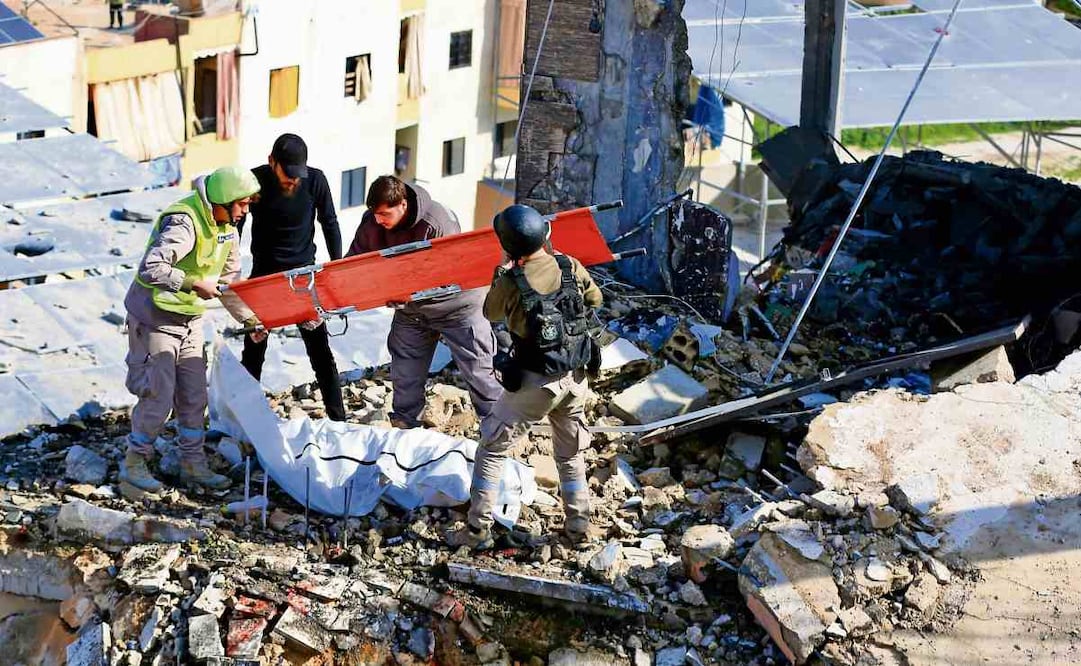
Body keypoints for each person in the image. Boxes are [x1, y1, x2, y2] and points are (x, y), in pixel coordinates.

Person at [447, 204, 603, 551]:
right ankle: (578, 529)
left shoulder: (511, 281)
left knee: (492, 448)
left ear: (507, 246)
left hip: (537, 382)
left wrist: (501, 275)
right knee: (570, 455)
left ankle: (477, 531)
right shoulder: (569, 265)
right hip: (576, 376)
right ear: (545, 236)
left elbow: (490, 312)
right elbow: (595, 298)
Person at [120, 166, 264, 493]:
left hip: (189, 319)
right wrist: (192, 283)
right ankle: (134, 462)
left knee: (194, 395)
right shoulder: (184, 222)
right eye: (241, 204)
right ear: (223, 200)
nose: (245, 211)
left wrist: (250, 320)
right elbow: (151, 267)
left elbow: (229, 282)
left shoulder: (227, 230)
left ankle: (192, 463)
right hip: (155, 317)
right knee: (158, 394)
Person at [346, 175, 502, 428]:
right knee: (405, 370)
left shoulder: (437, 221)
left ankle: (499, 431)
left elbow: (448, 271)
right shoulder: (371, 224)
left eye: (384, 214)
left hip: (457, 306)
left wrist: (403, 289)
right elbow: (353, 265)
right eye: (375, 214)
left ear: (403, 204)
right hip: (411, 310)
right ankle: (407, 426)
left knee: (479, 370)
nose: (378, 220)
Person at [239, 133, 347, 422]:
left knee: (320, 352)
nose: (293, 180)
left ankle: (338, 419)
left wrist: (336, 268)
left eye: (298, 174)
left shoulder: (316, 180)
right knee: (254, 348)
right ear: (271, 162)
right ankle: (246, 417)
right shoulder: (254, 181)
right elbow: (236, 224)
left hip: (303, 279)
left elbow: (329, 222)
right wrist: (231, 272)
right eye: (288, 174)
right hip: (264, 278)